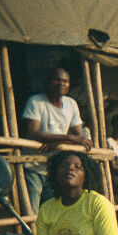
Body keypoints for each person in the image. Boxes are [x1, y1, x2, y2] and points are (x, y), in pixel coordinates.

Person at [21, 67, 92, 211]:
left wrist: (57, 142)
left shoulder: (71, 103)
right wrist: (68, 137)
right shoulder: (36, 101)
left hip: (56, 166)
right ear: (47, 82)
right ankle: (29, 234)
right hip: (33, 163)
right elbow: (33, 132)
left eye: (65, 81)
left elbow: (81, 137)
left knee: (52, 209)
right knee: (31, 210)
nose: (61, 83)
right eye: (57, 80)